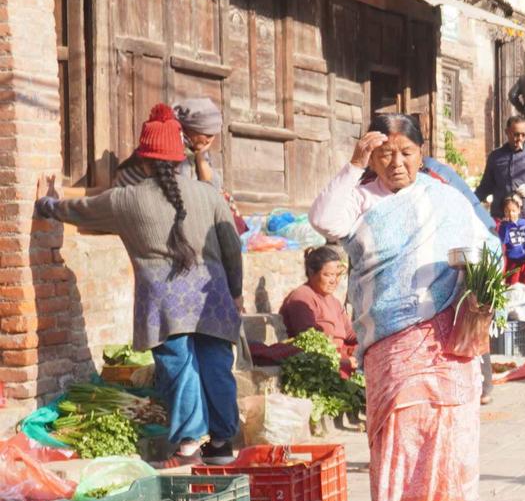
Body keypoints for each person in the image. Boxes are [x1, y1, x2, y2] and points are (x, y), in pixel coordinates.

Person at [311, 113, 497, 501]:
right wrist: (353, 164)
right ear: (372, 157)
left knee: (450, 423)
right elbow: (325, 221)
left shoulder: (445, 198)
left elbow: (487, 244)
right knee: (398, 425)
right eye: (384, 153)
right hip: (389, 332)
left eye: (406, 152)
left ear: (421, 154)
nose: (396, 162)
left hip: (445, 330)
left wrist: (475, 278)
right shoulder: (361, 198)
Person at [34, 105, 243, 463]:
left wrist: (47, 203)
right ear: (180, 159)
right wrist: (235, 291)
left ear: (144, 160)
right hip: (214, 300)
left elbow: (78, 210)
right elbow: (231, 248)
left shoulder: (125, 200)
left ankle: (190, 443)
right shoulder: (208, 195)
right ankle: (223, 444)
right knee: (215, 367)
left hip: (164, 305)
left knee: (180, 370)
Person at [279, 244, 357, 370]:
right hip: (320, 362)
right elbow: (310, 341)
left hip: (340, 356)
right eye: (328, 275)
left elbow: (350, 333)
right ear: (311, 272)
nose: (334, 280)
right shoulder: (301, 298)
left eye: (337, 275)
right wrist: (343, 361)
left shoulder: (334, 302)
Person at [474, 116, 525, 221]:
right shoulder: (495, 157)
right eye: (516, 134)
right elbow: (485, 187)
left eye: (524, 135)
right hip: (501, 218)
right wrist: (470, 200)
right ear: (507, 132)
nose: (520, 138)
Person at [497, 193, 525, 285]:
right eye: (507, 211)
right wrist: (505, 226)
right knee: (512, 287)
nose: (510, 213)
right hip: (513, 264)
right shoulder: (504, 226)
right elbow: (504, 240)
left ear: (518, 210)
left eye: (513, 211)